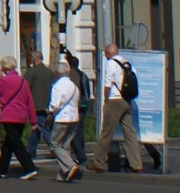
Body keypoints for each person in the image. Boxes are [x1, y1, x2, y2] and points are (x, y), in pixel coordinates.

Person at [89, 45, 143, 173]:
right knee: (130, 133)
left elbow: (108, 83)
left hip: (114, 100)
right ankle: (136, 164)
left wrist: (105, 99)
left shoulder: (111, 63)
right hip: (127, 100)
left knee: (106, 133)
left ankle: (98, 162)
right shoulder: (127, 64)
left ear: (108, 53)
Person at [0, 57, 40, 179]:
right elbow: (30, 102)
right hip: (21, 116)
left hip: (9, 116)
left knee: (16, 144)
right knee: (9, 142)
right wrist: (33, 120)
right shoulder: (23, 82)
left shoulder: (4, 80)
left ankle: (30, 168)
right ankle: (1, 169)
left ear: (3, 68)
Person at [46, 55, 84, 182]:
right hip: (74, 117)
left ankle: (71, 165)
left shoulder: (58, 86)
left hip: (62, 118)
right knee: (66, 145)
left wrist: (49, 111)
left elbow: (55, 104)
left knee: (54, 144)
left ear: (58, 72)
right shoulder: (74, 86)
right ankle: (63, 174)